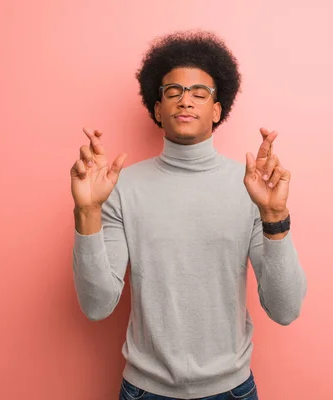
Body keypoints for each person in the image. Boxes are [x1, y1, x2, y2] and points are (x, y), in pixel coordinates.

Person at [70, 30, 307, 400]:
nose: (186, 101)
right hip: (144, 390)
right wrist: (87, 211)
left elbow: (286, 309)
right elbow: (97, 306)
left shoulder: (252, 190)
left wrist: (274, 214)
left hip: (231, 390)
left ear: (217, 110)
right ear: (157, 107)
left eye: (200, 93)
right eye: (173, 92)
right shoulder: (120, 188)